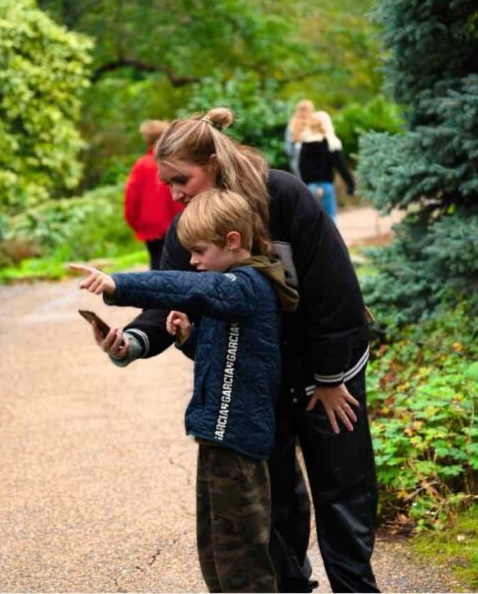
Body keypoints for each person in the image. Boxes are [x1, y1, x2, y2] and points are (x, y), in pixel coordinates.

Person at [88, 107, 379, 593]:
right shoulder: (191, 223)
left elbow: (335, 293)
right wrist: (133, 342)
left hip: (325, 367)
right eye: (168, 183)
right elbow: (174, 295)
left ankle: (356, 587)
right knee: (275, 496)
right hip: (258, 379)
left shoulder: (282, 194)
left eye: (181, 179)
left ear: (215, 164)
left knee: (341, 487)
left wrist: (330, 379)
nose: (174, 193)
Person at [71, 188, 300, 592]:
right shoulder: (227, 295)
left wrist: (116, 285)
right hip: (216, 436)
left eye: (197, 251)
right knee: (216, 553)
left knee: (243, 562)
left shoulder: (245, 286)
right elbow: (228, 358)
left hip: (239, 442)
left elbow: (185, 287)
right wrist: (188, 337)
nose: (192, 262)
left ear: (233, 242)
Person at [124, 119, 183, 269]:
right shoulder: (177, 162)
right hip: (179, 224)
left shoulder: (141, 165)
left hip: (151, 228)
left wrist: (136, 223)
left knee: (157, 264)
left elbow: (132, 198)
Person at [298, 111, 356, 223]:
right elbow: (341, 166)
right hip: (326, 185)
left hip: (311, 187)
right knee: (331, 219)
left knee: (314, 220)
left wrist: (305, 184)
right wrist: (350, 184)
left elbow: (301, 167)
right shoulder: (331, 142)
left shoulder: (305, 143)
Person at [284, 99, 314, 177]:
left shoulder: (291, 125)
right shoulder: (314, 124)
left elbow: (288, 150)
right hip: (312, 164)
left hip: (296, 162)